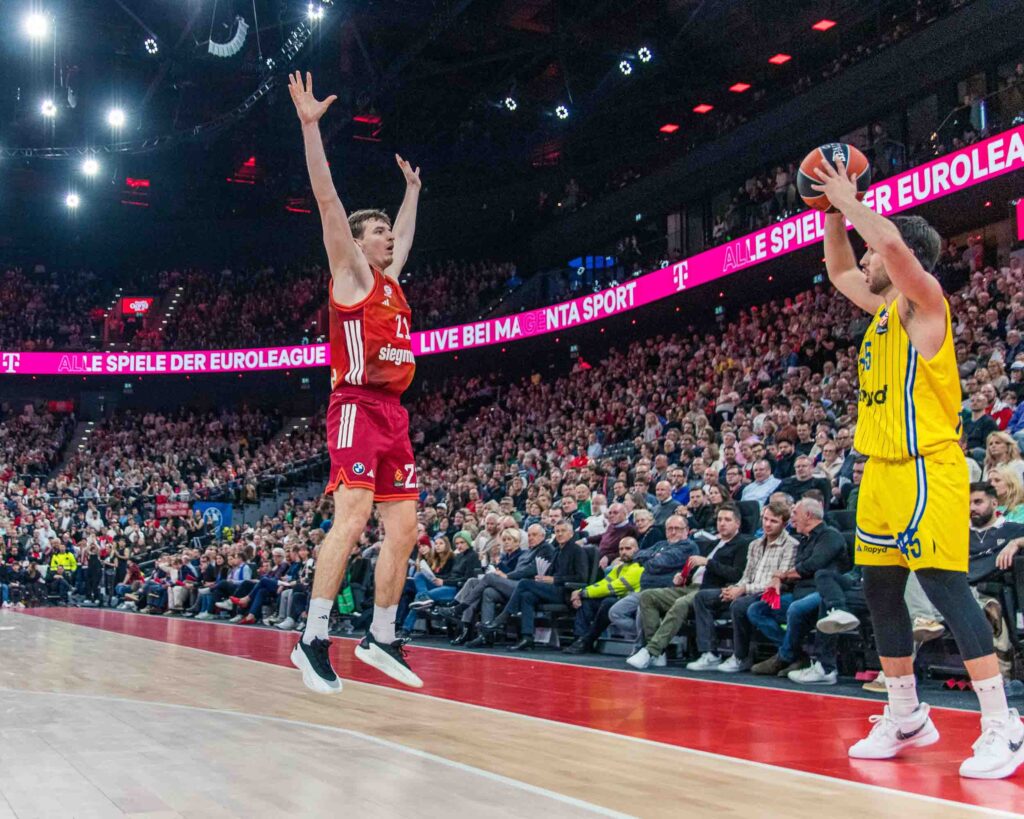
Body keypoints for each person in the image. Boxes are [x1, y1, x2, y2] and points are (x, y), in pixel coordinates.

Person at [817, 156, 1022, 778]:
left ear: (902, 255)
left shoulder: (926, 302)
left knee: (942, 584)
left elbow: (885, 245)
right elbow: (839, 269)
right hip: (880, 470)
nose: (866, 261)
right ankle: (906, 714)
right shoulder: (881, 311)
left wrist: (850, 200)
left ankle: (1003, 725)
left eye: (875, 253)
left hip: (929, 464)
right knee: (879, 589)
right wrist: (830, 213)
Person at [287, 70, 425, 693]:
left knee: (406, 528)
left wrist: (412, 192)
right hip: (355, 405)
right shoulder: (351, 275)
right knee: (354, 515)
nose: (390, 237)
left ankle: (382, 636)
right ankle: (313, 638)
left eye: (391, 232)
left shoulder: (392, 282)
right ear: (359, 242)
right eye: (380, 232)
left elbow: (408, 233)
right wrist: (310, 128)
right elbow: (328, 203)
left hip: (394, 414)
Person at [687, 500, 798, 673]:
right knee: (702, 597)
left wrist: (742, 590)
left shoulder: (791, 545)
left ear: (784, 524)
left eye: (774, 521)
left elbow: (779, 580)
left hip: (772, 592)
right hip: (747, 588)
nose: (768, 524)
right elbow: (747, 575)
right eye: (765, 519)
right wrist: (735, 588)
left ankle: (741, 656)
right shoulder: (755, 544)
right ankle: (709, 653)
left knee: (739, 605)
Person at [565, 537, 642, 654]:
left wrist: (582, 593)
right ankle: (579, 639)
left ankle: (588, 640)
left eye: (628, 548)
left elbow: (611, 588)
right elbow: (603, 583)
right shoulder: (620, 568)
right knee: (587, 602)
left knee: (608, 602)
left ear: (637, 549)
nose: (624, 552)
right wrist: (581, 592)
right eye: (621, 549)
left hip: (632, 605)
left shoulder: (639, 568)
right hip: (619, 600)